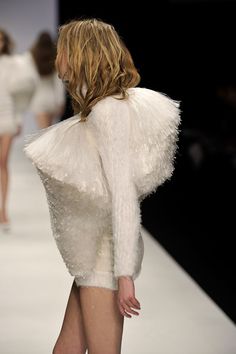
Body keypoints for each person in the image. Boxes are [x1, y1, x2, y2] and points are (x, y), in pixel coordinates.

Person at [24, 19, 181, 354]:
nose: (58, 57)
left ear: (80, 54)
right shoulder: (105, 107)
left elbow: (123, 195)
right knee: (65, 350)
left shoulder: (109, 112)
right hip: (98, 250)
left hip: (105, 258)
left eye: (63, 49)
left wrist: (123, 275)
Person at [0, 29, 36, 232]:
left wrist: (17, 118)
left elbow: (21, 93)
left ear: (5, 42)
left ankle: (3, 210)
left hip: (6, 115)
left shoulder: (14, 63)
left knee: (3, 161)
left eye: (1, 40)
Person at [28, 31, 65, 129]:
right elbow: (58, 83)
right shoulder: (54, 58)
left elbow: (31, 80)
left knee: (43, 131)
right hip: (51, 99)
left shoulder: (33, 58)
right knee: (48, 131)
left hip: (38, 99)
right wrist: (60, 102)